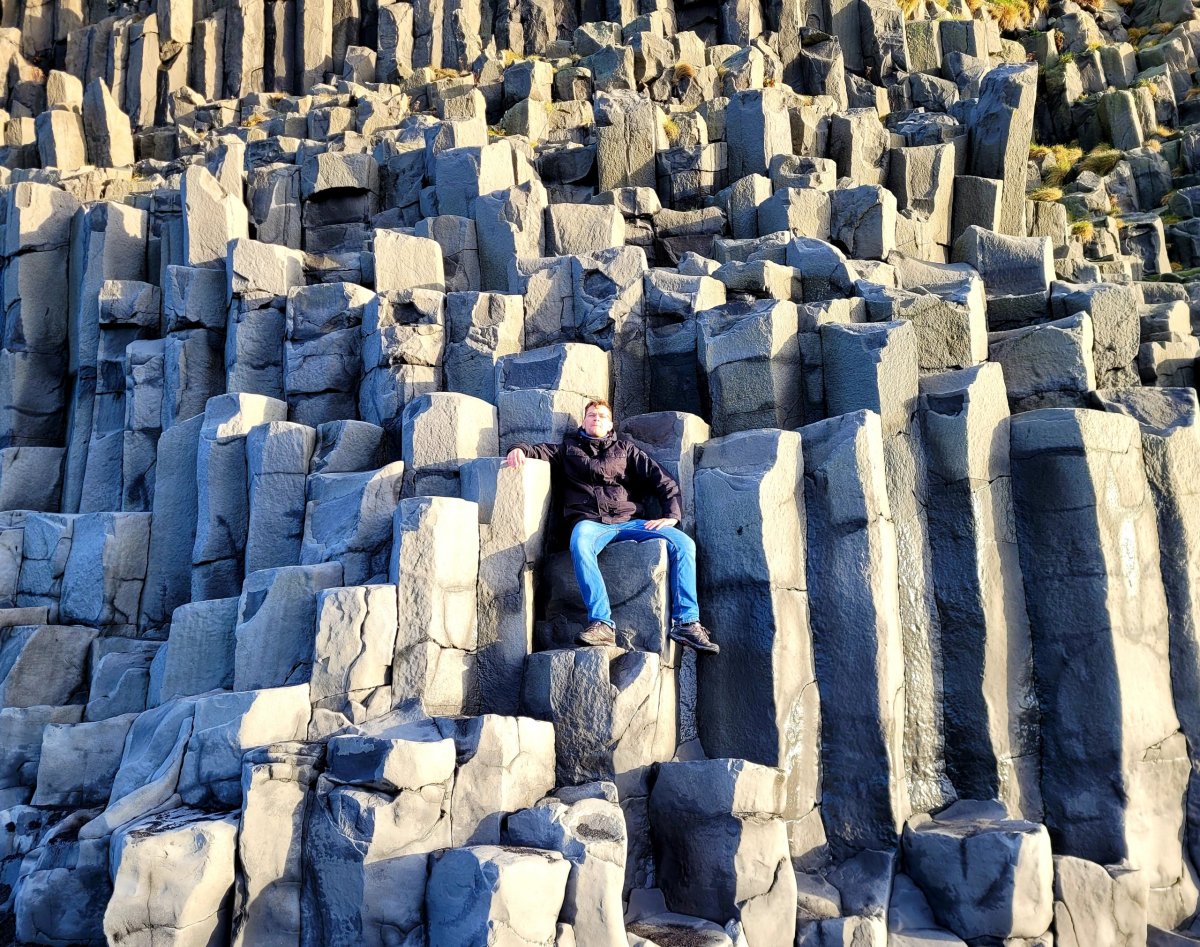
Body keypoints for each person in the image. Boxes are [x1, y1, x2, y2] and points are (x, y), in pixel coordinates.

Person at [503, 398, 719, 654]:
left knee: (683, 542)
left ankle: (687, 623)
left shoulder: (625, 450)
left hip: (629, 522)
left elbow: (662, 479)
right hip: (591, 524)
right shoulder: (567, 449)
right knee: (579, 541)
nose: (597, 419)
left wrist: (671, 515)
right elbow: (534, 449)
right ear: (583, 421)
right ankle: (602, 623)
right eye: (592, 415)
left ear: (610, 424)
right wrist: (517, 448)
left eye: (602, 416)